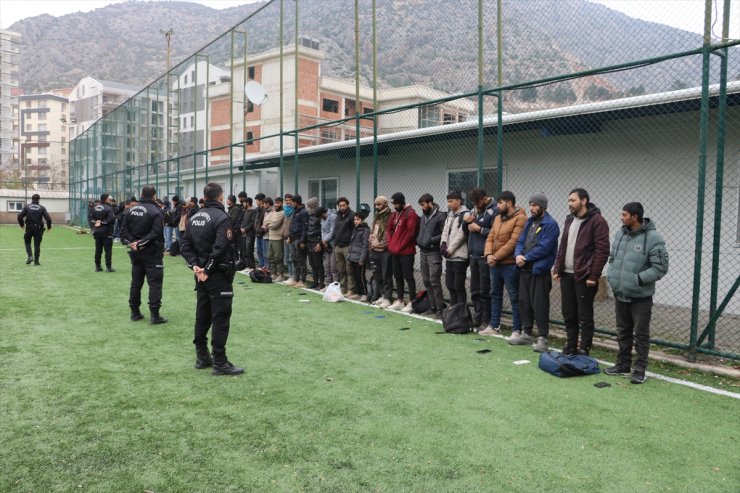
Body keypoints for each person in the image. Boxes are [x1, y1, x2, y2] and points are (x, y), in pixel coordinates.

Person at [180, 182, 244, 376]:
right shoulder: (222, 217)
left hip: (201, 275)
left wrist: (195, 267)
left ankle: (202, 356)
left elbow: (184, 244)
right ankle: (220, 362)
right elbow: (220, 247)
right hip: (216, 275)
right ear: (220, 196)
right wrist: (205, 268)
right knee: (220, 317)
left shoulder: (194, 216)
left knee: (203, 314)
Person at [604, 202, 669, 384]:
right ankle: (623, 364)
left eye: (624, 214)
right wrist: (612, 276)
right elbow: (613, 259)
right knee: (622, 331)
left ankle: (640, 369)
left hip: (640, 297)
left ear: (635, 217)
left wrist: (638, 280)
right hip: (620, 293)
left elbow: (660, 268)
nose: (621, 217)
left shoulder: (653, 238)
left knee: (641, 334)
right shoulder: (620, 234)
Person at [553, 188, 610, 355]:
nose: (569, 204)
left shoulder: (597, 221)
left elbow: (602, 251)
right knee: (569, 313)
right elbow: (563, 245)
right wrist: (558, 268)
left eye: (573, 200)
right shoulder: (569, 220)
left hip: (584, 277)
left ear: (583, 201)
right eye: (569, 200)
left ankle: (584, 348)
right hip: (566, 275)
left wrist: (593, 275)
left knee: (584, 315)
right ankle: (571, 345)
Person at [511, 193, 560, 352]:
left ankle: (542, 338)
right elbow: (520, 241)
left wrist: (525, 257)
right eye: (530, 204)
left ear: (543, 207)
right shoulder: (529, 222)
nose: (531, 208)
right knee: (524, 302)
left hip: (539, 271)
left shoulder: (551, 225)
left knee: (540, 304)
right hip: (524, 269)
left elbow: (544, 248)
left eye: (534, 205)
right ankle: (526, 333)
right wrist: (518, 254)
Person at [120, 185, 167, 324]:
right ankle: (154, 315)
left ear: (141, 194)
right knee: (155, 284)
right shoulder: (156, 211)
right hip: (152, 252)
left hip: (136, 252)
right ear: (154, 196)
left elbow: (123, 233)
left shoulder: (130, 210)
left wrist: (135, 243)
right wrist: (141, 243)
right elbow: (156, 232)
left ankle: (135, 313)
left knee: (136, 282)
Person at [481, 191, 526, 335]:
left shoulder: (521, 218)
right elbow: (490, 237)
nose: (497, 205)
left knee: (514, 296)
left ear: (509, 203)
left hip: (509, 264)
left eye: (500, 203)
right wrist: (488, 254)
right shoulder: (498, 218)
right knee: (495, 294)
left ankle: (517, 329)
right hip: (494, 264)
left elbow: (514, 242)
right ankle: (494, 326)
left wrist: (495, 257)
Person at [464, 187, 498, 331]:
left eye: (477, 202)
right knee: (475, 290)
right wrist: (466, 221)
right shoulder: (473, 210)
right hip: (473, 255)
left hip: (485, 256)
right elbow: (466, 230)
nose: (475, 205)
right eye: (473, 203)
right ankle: (477, 318)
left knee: (485, 291)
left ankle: (486, 320)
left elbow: (497, 233)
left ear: (484, 199)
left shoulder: (494, 210)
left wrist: (479, 229)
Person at [386, 192, 420, 312]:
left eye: (395, 204)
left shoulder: (411, 214)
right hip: (395, 251)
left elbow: (411, 233)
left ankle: (411, 302)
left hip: (407, 252)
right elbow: (389, 229)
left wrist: (400, 245)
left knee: (408, 277)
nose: (394, 206)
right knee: (398, 276)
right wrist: (391, 244)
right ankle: (400, 301)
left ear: (401, 202)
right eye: (393, 204)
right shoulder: (394, 214)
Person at [416, 193, 446, 317]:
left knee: (434, 281)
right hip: (423, 252)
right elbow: (421, 231)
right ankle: (432, 307)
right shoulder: (423, 216)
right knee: (427, 281)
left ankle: (440, 309)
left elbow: (444, 234)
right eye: (420, 206)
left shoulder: (441, 216)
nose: (422, 208)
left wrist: (432, 240)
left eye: (423, 205)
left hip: (434, 253)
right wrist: (419, 240)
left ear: (430, 203)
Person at [440, 191, 469, 307]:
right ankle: (453, 310)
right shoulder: (450, 214)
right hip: (449, 257)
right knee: (450, 285)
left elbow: (462, 235)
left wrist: (449, 250)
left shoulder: (466, 215)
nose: (449, 204)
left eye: (451, 201)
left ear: (459, 201)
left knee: (458, 286)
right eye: (448, 201)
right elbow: (445, 232)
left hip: (459, 256)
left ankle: (461, 312)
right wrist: (443, 245)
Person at [369, 196, 393, 307]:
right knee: (377, 275)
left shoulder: (391, 215)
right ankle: (381, 295)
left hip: (385, 251)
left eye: (379, 204)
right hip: (374, 250)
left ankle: (387, 298)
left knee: (386, 275)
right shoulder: (376, 216)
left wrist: (384, 245)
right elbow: (373, 229)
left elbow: (390, 233)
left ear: (385, 204)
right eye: (375, 204)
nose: (377, 206)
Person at [17, 193, 52, 265]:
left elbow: (20, 216)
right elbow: (48, 219)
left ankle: (30, 256)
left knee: (27, 242)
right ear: (39, 200)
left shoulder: (27, 207)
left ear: (32, 199)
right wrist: (49, 227)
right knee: (37, 245)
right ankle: (36, 261)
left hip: (29, 228)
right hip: (38, 229)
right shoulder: (42, 208)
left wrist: (22, 225)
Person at [332, 197, 355, 295]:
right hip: (338, 246)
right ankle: (343, 288)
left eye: (343, 205)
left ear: (347, 205)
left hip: (348, 246)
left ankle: (351, 289)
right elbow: (335, 229)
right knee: (341, 269)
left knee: (349, 269)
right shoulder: (337, 216)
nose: (342, 207)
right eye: (340, 206)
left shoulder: (352, 215)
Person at [88, 193, 116, 272]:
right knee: (108, 250)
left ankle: (97, 266)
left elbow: (91, 218)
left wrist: (96, 222)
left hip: (97, 231)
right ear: (106, 199)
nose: (110, 200)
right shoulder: (109, 208)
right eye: (109, 199)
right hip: (107, 232)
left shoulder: (95, 207)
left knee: (98, 249)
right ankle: (108, 267)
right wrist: (103, 222)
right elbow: (111, 220)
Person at [347, 211, 371, 301]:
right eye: (355, 220)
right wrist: (349, 256)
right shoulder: (355, 228)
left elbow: (365, 246)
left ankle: (365, 294)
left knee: (361, 276)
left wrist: (362, 259)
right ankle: (358, 293)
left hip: (359, 258)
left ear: (362, 220)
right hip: (353, 256)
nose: (356, 221)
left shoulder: (366, 230)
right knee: (355, 276)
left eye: (358, 219)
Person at [287, 194, 309, 288]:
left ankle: (302, 280)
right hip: (293, 238)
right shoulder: (295, 211)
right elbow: (293, 225)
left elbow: (305, 227)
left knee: (301, 260)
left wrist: (303, 241)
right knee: (294, 259)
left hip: (299, 239)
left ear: (296, 202)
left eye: (292, 202)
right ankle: (296, 279)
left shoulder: (303, 212)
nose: (291, 203)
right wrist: (290, 237)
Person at [264, 197, 286, 281]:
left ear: (281, 203)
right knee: (270, 256)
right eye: (276, 203)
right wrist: (269, 223)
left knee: (278, 257)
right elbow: (265, 221)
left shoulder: (282, 213)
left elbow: (274, 224)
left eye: (278, 203)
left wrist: (268, 225)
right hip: (270, 237)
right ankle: (274, 273)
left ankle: (281, 275)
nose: (276, 204)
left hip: (278, 238)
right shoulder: (273, 212)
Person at [306, 206, 326, 289]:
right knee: (312, 263)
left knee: (318, 263)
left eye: (310, 206)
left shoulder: (320, 217)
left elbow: (323, 231)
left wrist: (319, 243)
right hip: (309, 241)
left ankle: (321, 283)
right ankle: (315, 281)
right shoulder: (309, 216)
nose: (309, 208)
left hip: (316, 242)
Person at [321, 205, 338, 287]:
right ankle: (328, 285)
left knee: (333, 267)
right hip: (326, 245)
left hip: (333, 244)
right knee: (326, 265)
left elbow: (332, 231)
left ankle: (335, 286)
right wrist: (323, 241)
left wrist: (325, 240)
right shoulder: (322, 219)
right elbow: (322, 231)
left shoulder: (333, 217)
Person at [281, 193, 295, 282]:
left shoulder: (294, 211)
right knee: (286, 257)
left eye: (290, 200)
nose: (288, 201)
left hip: (291, 238)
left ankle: (293, 276)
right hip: (285, 237)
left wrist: (290, 236)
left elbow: (293, 226)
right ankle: (290, 275)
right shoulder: (285, 210)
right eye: (287, 200)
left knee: (291, 257)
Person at [241, 197, 257, 270]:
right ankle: (247, 266)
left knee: (249, 250)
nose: (243, 204)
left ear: (247, 203)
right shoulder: (245, 211)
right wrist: (241, 227)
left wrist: (245, 229)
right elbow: (243, 221)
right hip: (244, 234)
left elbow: (252, 222)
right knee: (245, 250)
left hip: (250, 233)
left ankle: (252, 266)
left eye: (244, 202)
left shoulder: (253, 211)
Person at [253, 193, 268, 268]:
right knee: (259, 251)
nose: (256, 202)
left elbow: (265, 222)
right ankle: (261, 265)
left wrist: (260, 229)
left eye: (257, 200)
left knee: (264, 252)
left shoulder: (265, 210)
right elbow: (256, 221)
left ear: (261, 201)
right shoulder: (257, 209)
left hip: (263, 233)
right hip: (258, 233)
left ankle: (265, 267)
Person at [226, 194, 242, 260]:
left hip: (234, 231)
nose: (226, 201)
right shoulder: (231, 209)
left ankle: (236, 260)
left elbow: (232, 220)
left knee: (235, 247)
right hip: (231, 230)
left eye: (228, 199)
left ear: (231, 201)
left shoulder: (235, 209)